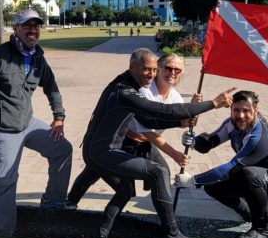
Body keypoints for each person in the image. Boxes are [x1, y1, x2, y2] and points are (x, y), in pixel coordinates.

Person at [81, 48, 234, 238]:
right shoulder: (124, 91)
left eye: (154, 70)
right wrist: (213, 104)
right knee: (158, 172)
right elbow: (162, 111)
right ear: (132, 67)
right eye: (146, 69)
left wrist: (181, 121)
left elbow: (148, 120)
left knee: (127, 190)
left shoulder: (128, 83)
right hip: (101, 152)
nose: (151, 75)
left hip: (103, 150)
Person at [0, 9, 73, 238]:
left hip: (27, 123)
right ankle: (3, 234)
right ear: (16, 28)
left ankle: (52, 205)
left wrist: (58, 117)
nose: (32, 30)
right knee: (5, 181)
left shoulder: (37, 57)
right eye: (27, 25)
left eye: (36, 26)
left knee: (62, 149)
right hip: (1, 129)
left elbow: (51, 87)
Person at [66, 52, 195, 206]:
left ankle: (164, 214)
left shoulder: (175, 96)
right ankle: (70, 202)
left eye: (177, 70)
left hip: (145, 144)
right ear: (158, 68)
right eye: (168, 68)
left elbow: (178, 118)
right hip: (125, 141)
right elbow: (148, 128)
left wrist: (192, 110)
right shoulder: (145, 89)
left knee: (162, 173)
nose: (172, 73)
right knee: (96, 173)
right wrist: (174, 153)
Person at [174, 90, 268, 238]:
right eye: (236, 110)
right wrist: (194, 141)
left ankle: (262, 228)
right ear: (231, 109)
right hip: (255, 176)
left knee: (248, 174)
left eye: (246, 111)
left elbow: (232, 167)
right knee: (213, 187)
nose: (240, 116)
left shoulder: (260, 136)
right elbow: (209, 143)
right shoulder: (231, 124)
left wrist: (193, 180)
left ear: (256, 111)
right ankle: (247, 213)